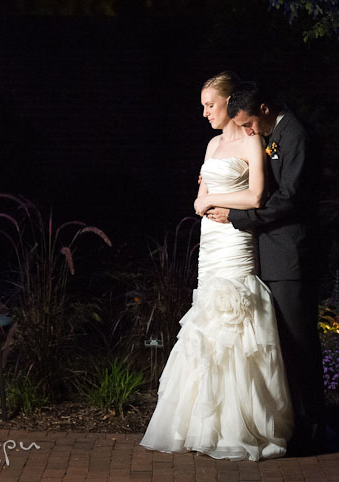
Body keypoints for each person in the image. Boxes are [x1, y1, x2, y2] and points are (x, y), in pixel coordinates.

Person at [140, 72, 293, 461]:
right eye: (203, 105)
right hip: (210, 241)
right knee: (207, 325)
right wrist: (204, 202)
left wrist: (214, 201)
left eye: (211, 104)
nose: (205, 112)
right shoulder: (211, 144)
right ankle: (204, 423)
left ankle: (239, 425)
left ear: (229, 103)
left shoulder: (253, 141)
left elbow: (256, 195)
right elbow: (200, 196)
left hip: (235, 237)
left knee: (236, 324)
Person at [206, 81, 325, 455]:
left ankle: (313, 431)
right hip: (269, 254)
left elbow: (290, 199)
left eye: (250, 124)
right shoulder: (276, 131)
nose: (250, 132)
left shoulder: (296, 135)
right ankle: (293, 424)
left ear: (264, 108)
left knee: (300, 343)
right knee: (282, 346)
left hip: (291, 255)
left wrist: (239, 217)